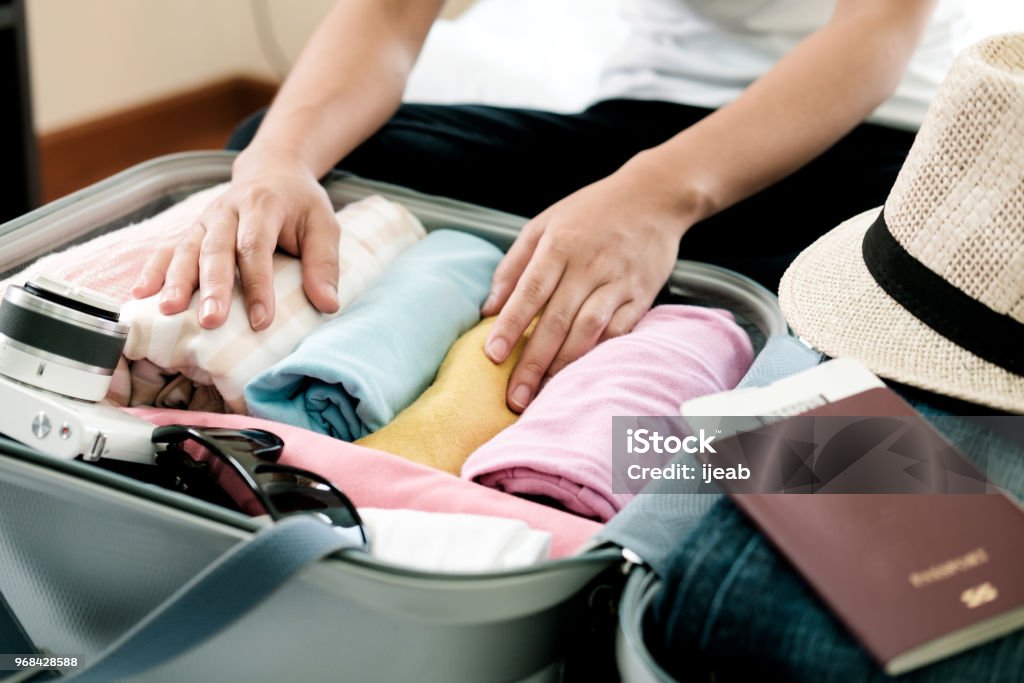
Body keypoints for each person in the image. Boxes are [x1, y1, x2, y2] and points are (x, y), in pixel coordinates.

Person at [132, 0, 961, 413]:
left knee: (823, 353)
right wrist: (276, 163)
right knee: (285, 159)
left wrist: (654, 201)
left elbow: (881, 26)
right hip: (641, 121)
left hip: (861, 134)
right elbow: (391, 13)